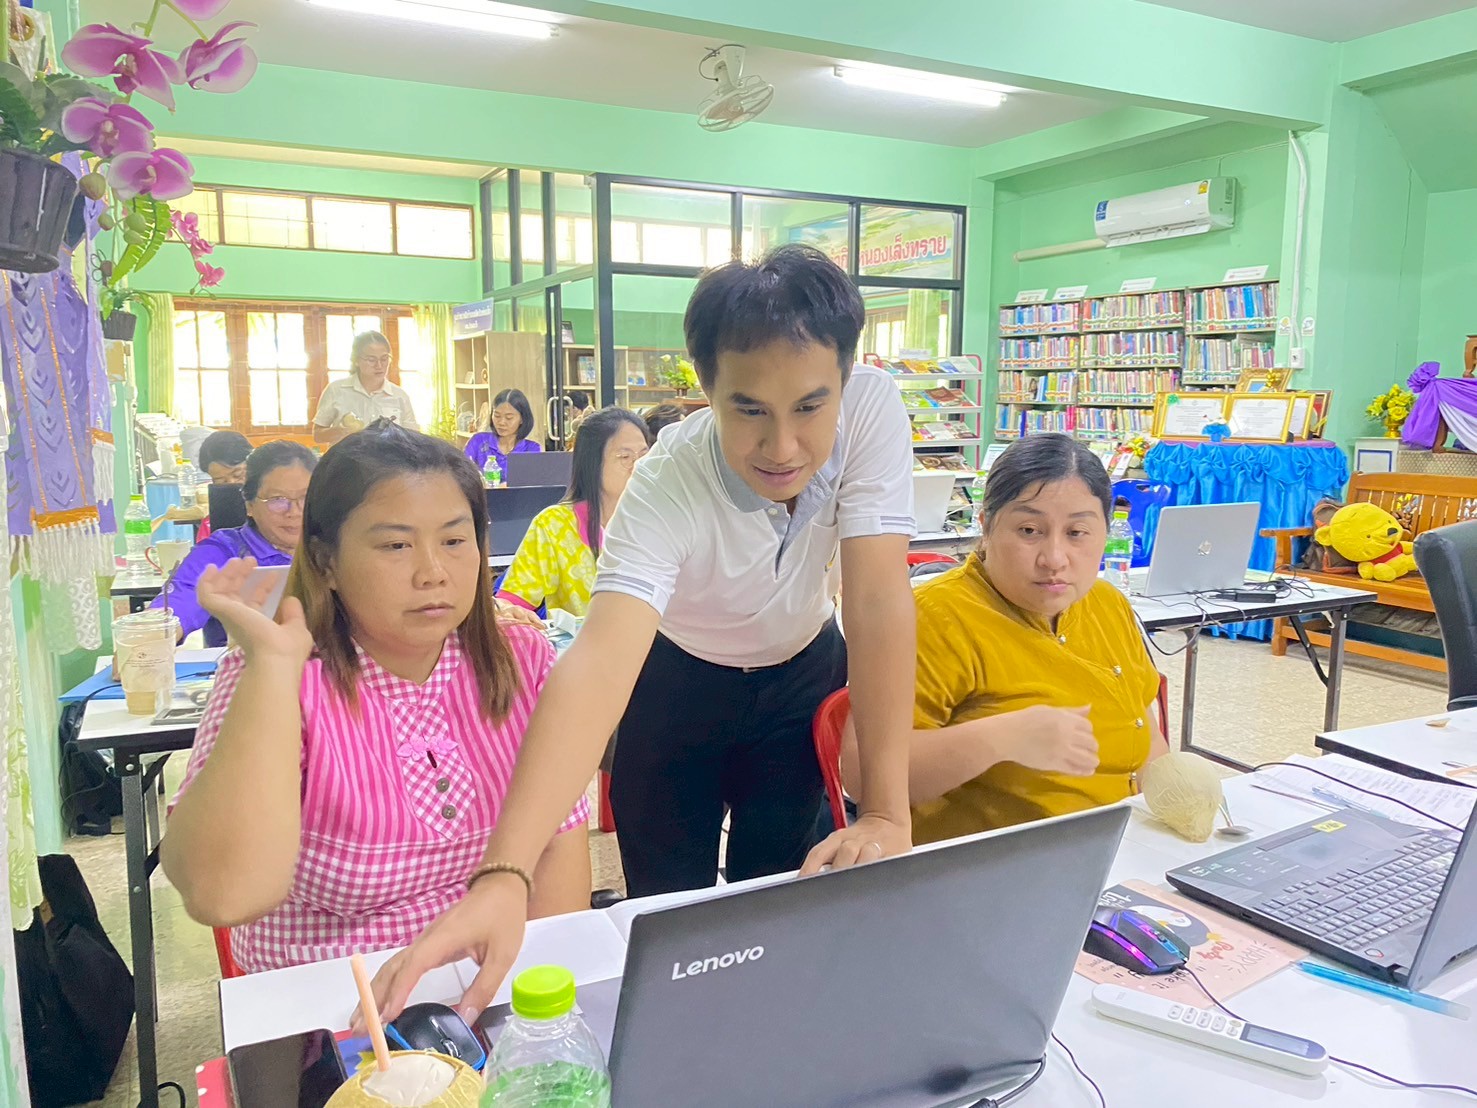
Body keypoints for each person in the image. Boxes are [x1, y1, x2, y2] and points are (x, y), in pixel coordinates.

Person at [370, 243, 917, 1026]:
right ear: (706, 391)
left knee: (785, 890)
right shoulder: (665, 482)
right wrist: (505, 873)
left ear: (844, 376)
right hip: (677, 680)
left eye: (808, 407)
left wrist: (887, 812)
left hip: (800, 668)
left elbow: (876, 599)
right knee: (671, 910)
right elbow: (597, 664)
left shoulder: (870, 409)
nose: (782, 446)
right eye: (747, 410)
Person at [160, 421, 590, 973]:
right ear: (326, 562)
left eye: (455, 541)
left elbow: (559, 849)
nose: (433, 573)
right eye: (395, 545)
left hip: (492, 978)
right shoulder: (278, 673)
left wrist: (538, 995)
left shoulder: (522, 658)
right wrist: (272, 668)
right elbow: (224, 897)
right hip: (333, 993)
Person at [841, 433, 1167, 845]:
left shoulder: (1106, 603)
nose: (1054, 558)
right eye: (1029, 530)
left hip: (1113, 847)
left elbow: (1145, 731)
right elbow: (862, 777)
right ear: (986, 526)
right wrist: (1000, 738)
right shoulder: (935, 617)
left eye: (1077, 532)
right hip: (996, 865)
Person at [152, 440, 317, 646]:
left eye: (305, 498)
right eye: (277, 499)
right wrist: (151, 637)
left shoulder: (331, 548)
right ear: (249, 505)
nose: (294, 512)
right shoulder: (225, 551)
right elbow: (181, 598)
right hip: (244, 664)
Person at [496, 407, 649, 619]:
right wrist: (506, 611)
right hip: (583, 640)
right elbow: (510, 604)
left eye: (644, 456)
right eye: (625, 457)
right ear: (592, 463)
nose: (638, 466)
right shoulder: (554, 525)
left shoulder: (661, 521)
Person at [313, 331, 419, 446]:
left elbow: (413, 438)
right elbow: (318, 435)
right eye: (371, 360)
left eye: (384, 359)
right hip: (347, 457)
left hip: (388, 457)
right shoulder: (336, 390)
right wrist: (342, 431)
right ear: (356, 360)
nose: (379, 365)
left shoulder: (399, 396)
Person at [465, 388, 541, 473]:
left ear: (522, 419)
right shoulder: (478, 441)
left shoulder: (531, 449)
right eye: (497, 416)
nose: (501, 422)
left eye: (509, 418)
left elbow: (533, 479)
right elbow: (462, 472)